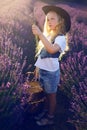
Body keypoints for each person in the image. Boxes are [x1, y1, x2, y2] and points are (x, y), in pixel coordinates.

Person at [32, 5, 71, 126]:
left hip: (51, 74)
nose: (49, 21)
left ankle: (50, 118)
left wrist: (40, 34)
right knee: (46, 94)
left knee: (52, 97)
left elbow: (52, 50)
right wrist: (37, 68)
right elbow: (42, 54)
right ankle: (45, 111)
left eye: (52, 19)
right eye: (47, 19)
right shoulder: (49, 35)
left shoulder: (61, 38)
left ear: (60, 21)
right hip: (43, 71)